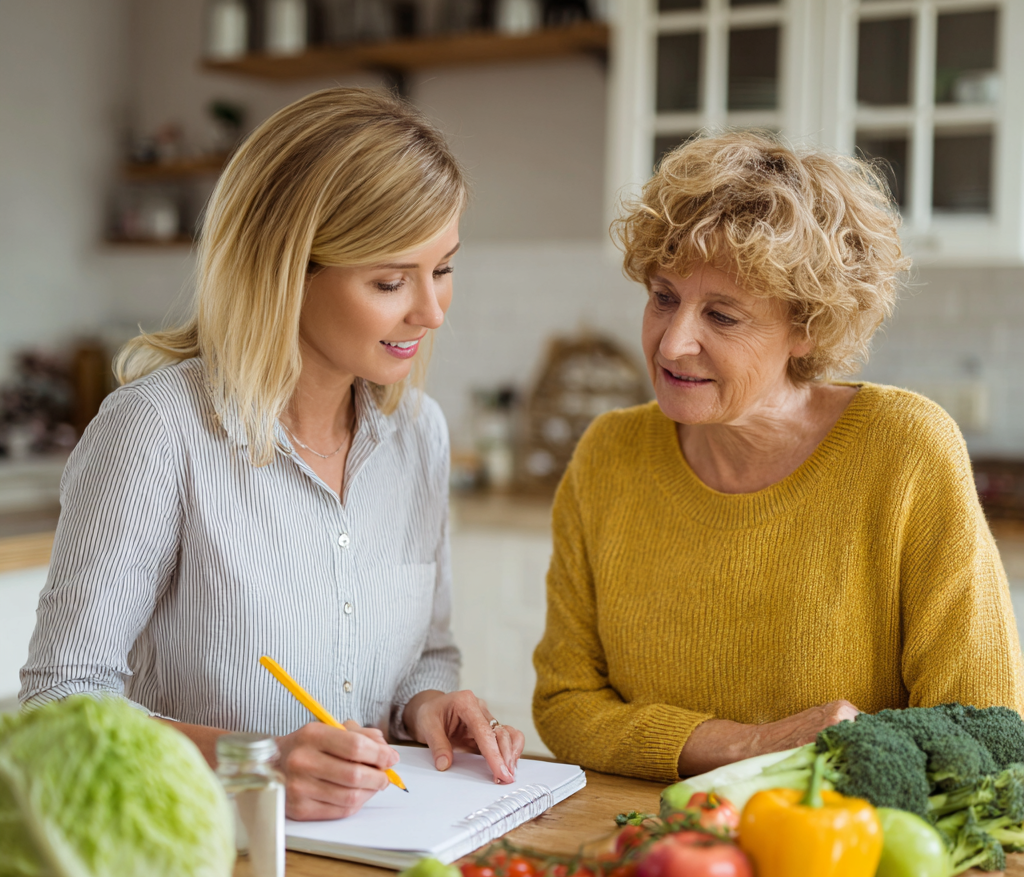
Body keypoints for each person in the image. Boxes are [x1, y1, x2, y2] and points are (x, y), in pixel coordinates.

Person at [21, 88, 525, 818]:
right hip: (200, 856)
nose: (432, 309)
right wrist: (253, 765)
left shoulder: (420, 433)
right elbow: (58, 708)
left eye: (443, 267)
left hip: (369, 861)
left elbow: (426, 655)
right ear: (287, 268)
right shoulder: (156, 431)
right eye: (390, 280)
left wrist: (428, 705)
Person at [533, 131, 1024, 783]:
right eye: (664, 297)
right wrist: (750, 743)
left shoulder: (906, 450)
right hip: (655, 854)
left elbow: (980, 736)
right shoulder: (608, 455)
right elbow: (565, 706)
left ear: (809, 326)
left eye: (724, 316)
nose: (673, 343)